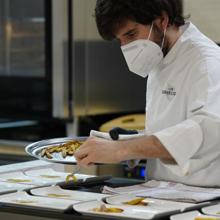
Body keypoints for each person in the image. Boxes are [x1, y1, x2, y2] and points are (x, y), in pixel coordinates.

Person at [75, 0, 220, 187]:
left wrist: (123, 149)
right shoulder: (161, 54)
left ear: (162, 20)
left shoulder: (207, 62)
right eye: (120, 40)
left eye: (131, 34)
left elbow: (209, 131)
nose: (126, 47)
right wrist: (127, 142)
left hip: (204, 201)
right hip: (162, 194)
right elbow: (172, 128)